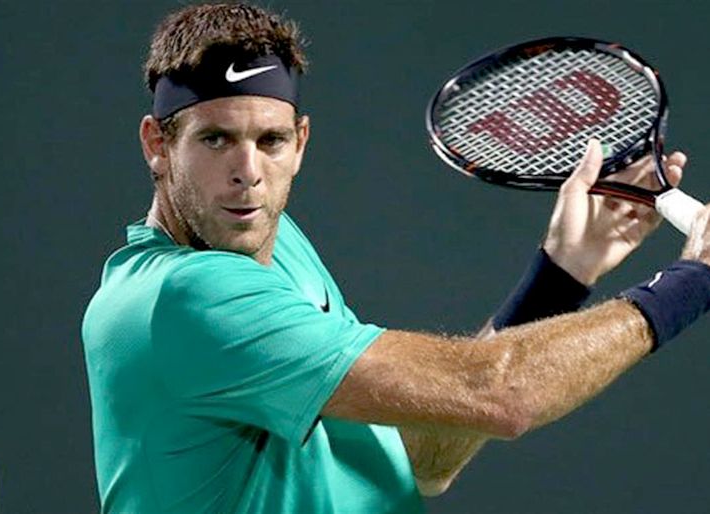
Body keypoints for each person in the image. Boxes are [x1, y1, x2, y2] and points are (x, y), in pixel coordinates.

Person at [81, 3, 710, 513]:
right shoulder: (185, 299)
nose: (248, 172)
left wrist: (562, 273)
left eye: (270, 140)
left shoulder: (273, 241)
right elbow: (500, 394)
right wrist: (692, 279)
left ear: (300, 142)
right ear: (157, 144)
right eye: (216, 139)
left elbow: (425, 457)